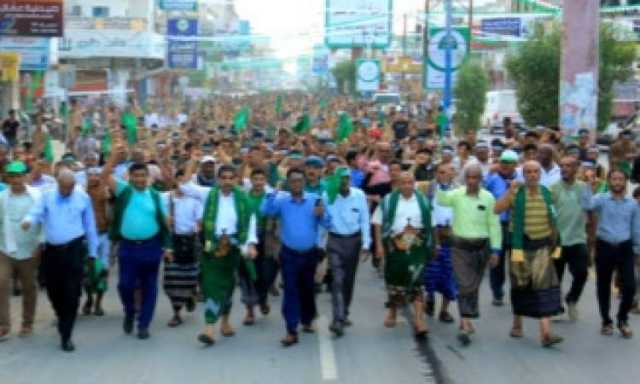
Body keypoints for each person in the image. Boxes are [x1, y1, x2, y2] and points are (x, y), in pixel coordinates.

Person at [179, 163, 258, 346]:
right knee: (211, 286)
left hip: (233, 248)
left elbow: (250, 222)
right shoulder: (209, 194)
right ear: (218, 179)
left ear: (236, 180)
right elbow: (184, 186)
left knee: (228, 287)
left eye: (231, 178)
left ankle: (225, 321)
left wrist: (251, 244)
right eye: (224, 178)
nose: (227, 182)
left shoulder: (243, 199)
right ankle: (209, 327)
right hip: (212, 248)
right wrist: (192, 161)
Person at [102, 142, 173, 341]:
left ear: (148, 178)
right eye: (137, 176)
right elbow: (104, 176)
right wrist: (114, 158)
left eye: (143, 176)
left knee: (150, 286)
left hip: (151, 247)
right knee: (125, 285)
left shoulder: (155, 196)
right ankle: (130, 311)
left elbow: (165, 222)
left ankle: (143, 324)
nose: (140, 179)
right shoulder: (124, 191)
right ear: (131, 177)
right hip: (128, 248)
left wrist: (168, 246)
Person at [22, 169, 98, 352]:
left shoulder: (82, 198)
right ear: (57, 184)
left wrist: (93, 252)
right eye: (63, 187)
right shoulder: (47, 195)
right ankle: (61, 315)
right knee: (53, 291)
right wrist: (28, 220)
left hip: (74, 249)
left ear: (74, 185)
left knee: (72, 293)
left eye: (69, 188)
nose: (66, 191)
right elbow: (35, 212)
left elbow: (90, 225)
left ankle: (66, 335)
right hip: (52, 252)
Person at [495, 161, 564, 348]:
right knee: (520, 285)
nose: (533, 175)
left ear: (540, 174)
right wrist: (509, 191)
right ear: (523, 174)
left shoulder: (546, 193)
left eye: (536, 171)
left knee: (544, 286)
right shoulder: (516, 192)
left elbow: (552, 219)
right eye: (529, 172)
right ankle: (517, 323)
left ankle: (546, 333)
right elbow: (497, 209)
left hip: (542, 247)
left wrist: (556, 243)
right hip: (520, 248)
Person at [261, 168, 330, 347]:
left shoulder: (315, 200)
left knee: (307, 289)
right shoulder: (282, 201)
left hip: (309, 254)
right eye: (293, 181)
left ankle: (306, 320)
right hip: (289, 254)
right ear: (288, 183)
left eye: (300, 180)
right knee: (290, 290)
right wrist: (274, 191)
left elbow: (328, 223)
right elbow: (265, 210)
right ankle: (291, 330)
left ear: (304, 182)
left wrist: (322, 214)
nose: (296, 184)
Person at [437, 163, 501, 346]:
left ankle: (467, 318)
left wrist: (496, 249)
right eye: (469, 178)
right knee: (464, 284)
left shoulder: (488, 198)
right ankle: (465, 323)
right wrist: (442, 184)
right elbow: (442, 201)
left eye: (476, 178)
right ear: (465, 179)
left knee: (473, 285)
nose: (472, 181)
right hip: (459, 246)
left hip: (481, 248)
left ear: (481, 180)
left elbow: (494, 225)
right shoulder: (456, 194)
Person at [373, 172, 432, 338]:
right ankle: (392, 312)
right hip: (395, 246)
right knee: (394, 280)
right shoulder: (388, 201)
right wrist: (378, 245)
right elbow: (377, 222)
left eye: (410, 182)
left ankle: (420, 320)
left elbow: (431, 223)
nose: (407, 186)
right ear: (398, 184)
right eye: (403, 183)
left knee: (417, 280)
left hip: (417, 246)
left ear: (414, 183)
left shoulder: (423, 201)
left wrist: (435, 244)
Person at [583, 169, 640, 339]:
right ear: (609, 181)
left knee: (630, 286)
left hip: (625, 247)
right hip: (605, 246)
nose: (617, 182)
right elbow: (586, 205)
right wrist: (588, 184)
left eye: (620, 179)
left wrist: (637, 249)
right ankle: (606, 321)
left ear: (625, 182)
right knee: (603, 285)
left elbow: (636, 228)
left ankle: (622, 319)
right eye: (614, 179)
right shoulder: (601, 199)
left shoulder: (632, 204)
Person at [323, 167, 371, 337]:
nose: (344, 182)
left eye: (347, 178)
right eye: (341, 179)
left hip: (354, 241)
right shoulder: (328, 196)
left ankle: (344, 312)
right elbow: (322, 221)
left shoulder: (359, 195)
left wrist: (366, 243)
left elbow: (365, 219)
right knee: (337, 280)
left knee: (348, 280)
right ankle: (337, 318)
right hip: (335, 240)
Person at [0, 161, 42, 340]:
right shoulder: (1, 198)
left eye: (18, 176)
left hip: (29, 250)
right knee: (1, 284)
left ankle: (27, 323)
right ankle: (4, 325)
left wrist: (40, 244)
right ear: (7, 178)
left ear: (25, 176)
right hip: (5, 249)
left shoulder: (37, 196)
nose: (15, 180)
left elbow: (44, 221)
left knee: (28, 287)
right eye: (12, 176)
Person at [549, 156, 590, 321]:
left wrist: (592, 239)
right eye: (562, 166)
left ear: (575, 169)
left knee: (582, 274)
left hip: (577, 239)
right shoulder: (553, 188)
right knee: (555, 277)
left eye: (568, 166)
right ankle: (554, 307)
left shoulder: (583, 187)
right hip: (558, 241)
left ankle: (572, 299)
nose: (564, 169)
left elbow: (589, 209)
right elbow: (549, 213)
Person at [239, 168, 278, 326]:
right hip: (247, 238)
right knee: (247, 273)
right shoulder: (243, 198)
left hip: (266, 239)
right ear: (251, 180)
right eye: (256, 179)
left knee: (266, 274)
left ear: (265, 181)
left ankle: (262, 299)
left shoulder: (271, 198)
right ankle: (249, 311)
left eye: (262, 179)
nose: (258, 182)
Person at [163, 170, 202, 328]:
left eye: (185, 181)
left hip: (190, 241)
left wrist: (195, 228)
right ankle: (176, 313)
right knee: (172, 279)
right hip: (172, 242)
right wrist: (166, 221)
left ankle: (191, 293)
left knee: (191, 276)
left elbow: (199, 222)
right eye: (179, 180)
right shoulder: (165, 198)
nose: (181, 185)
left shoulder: (195, 201)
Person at [484, 150, 520, 306]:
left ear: (515, 165)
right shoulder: (492, 180)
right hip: (496, 225)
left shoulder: (521, 180)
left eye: (508, 162)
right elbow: (483, 198)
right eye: (502, 162)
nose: (504, 165)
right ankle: (497, 292)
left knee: (516, 261)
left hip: (515, 226)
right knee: (496, 261)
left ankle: (517, 292)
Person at [423, 163, 457, 323]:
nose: (442, 175)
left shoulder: (459, 190)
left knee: (450, 276)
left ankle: (444, 310)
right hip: (433, 235)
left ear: (453, 174)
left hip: (452, 237)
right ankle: (429, 298)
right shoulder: (430, 189)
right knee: (431, 273)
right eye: (440, 172)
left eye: (446, 172)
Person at [83, 167, 112, 316]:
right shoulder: (81, 193)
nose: (94, 177)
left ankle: (98, 303)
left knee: (103, 271)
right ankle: (88, 299)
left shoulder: (105, 192)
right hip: (87, 237)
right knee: (88, 272)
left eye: (96, 175)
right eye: (90, 175)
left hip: (103, 234)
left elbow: (110, 214)